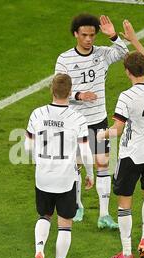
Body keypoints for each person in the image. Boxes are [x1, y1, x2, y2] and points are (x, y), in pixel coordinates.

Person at [97, 20, 144, 258]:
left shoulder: (126, 97)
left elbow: (117, 130)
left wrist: (101, 134)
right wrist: (134, 39)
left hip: (132, 155)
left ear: (127, 72)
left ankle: (126, 254)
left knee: (124, 202)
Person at [55, 14, 129, 229]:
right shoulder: (64, 59)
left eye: (92, 35)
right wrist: (78, 96)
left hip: (98, 119)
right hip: (75, 121)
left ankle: (104, 215)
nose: (89, 39)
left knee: (103, 163)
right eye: (84, 35)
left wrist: (114, 36)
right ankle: (78, 206)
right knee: (77, 164)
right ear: (76, 34)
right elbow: (59, 91)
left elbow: (125, 54)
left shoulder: (103, 54)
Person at [25, 73, 94, 258]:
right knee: (65, 224)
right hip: (66, 180)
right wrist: (90, 174)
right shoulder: (77, 118)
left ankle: (39, 251)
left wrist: (40, 161)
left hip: (43, 177)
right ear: (70, 92)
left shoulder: (37, 114)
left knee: (44, 216)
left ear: (51, 91)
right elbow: (86, 152)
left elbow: (28, 147)